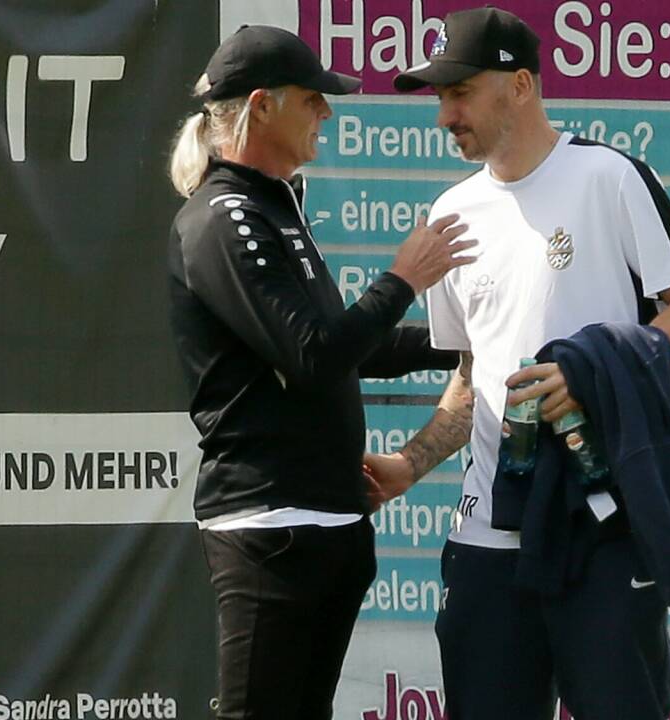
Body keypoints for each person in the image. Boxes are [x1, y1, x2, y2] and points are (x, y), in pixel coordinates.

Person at [363, 7, 670, 719]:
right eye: (439, 97)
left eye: (460, 92)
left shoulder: (609, 177)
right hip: (487, 541)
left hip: (604, 528)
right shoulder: (452, 212)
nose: (444, 115)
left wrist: (590, 372)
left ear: (522, 85)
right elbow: (473, 375)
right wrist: (411, 463)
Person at [165, 25, 476, 720]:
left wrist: (464, 337)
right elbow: (313, 356)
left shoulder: (277, 209)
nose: (328, 114)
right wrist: (404, 276)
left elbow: (349, 345)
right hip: (271, 525)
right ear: (263, 106)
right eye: (314, 99)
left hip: (328, 522)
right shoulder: (222, 219)